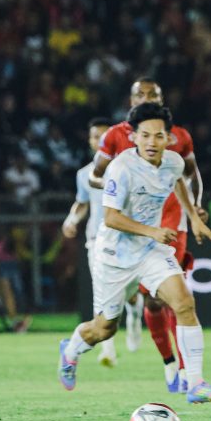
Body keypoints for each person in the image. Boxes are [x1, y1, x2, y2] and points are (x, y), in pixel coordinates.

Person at [58, 102, 211, 404]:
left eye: (158, 136)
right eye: (145, 135)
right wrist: (153, 230)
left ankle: (195, 383)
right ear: (133, 137)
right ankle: (70, 352)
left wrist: (193, 217)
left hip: (150, 250)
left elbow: (178, 182)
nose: (152, 142)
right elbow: (110, 218)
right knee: (105, 329)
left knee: (185, 303)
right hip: (114, 255)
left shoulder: (173, 161)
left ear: (168, 138)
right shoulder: (120, 169)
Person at [91, 77, 206, 393]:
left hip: (173, 224)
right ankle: (169, 363)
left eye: (152, 94)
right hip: (135, 229)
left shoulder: (178, 137)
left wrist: (195, 210)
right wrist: (121, 187)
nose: (145, 98)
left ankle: (188, 374)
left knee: (175, 297)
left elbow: (189, 175)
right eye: (139, 94)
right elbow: (94, 174)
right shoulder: (116, 135)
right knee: (152, 303)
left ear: (161, 98)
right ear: (130, 100)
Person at [62, 117, 127, 366]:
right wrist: (72, 219)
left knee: (136, 297)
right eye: (94, 136)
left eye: (103, 135)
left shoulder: (128, 168)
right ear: (90, 141)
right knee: (102, 297)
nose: (99, 140)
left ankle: (132, 328)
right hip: (97, 241)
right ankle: (107, 348)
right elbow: (81, 203)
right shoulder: (84, 174)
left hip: (130, 240)